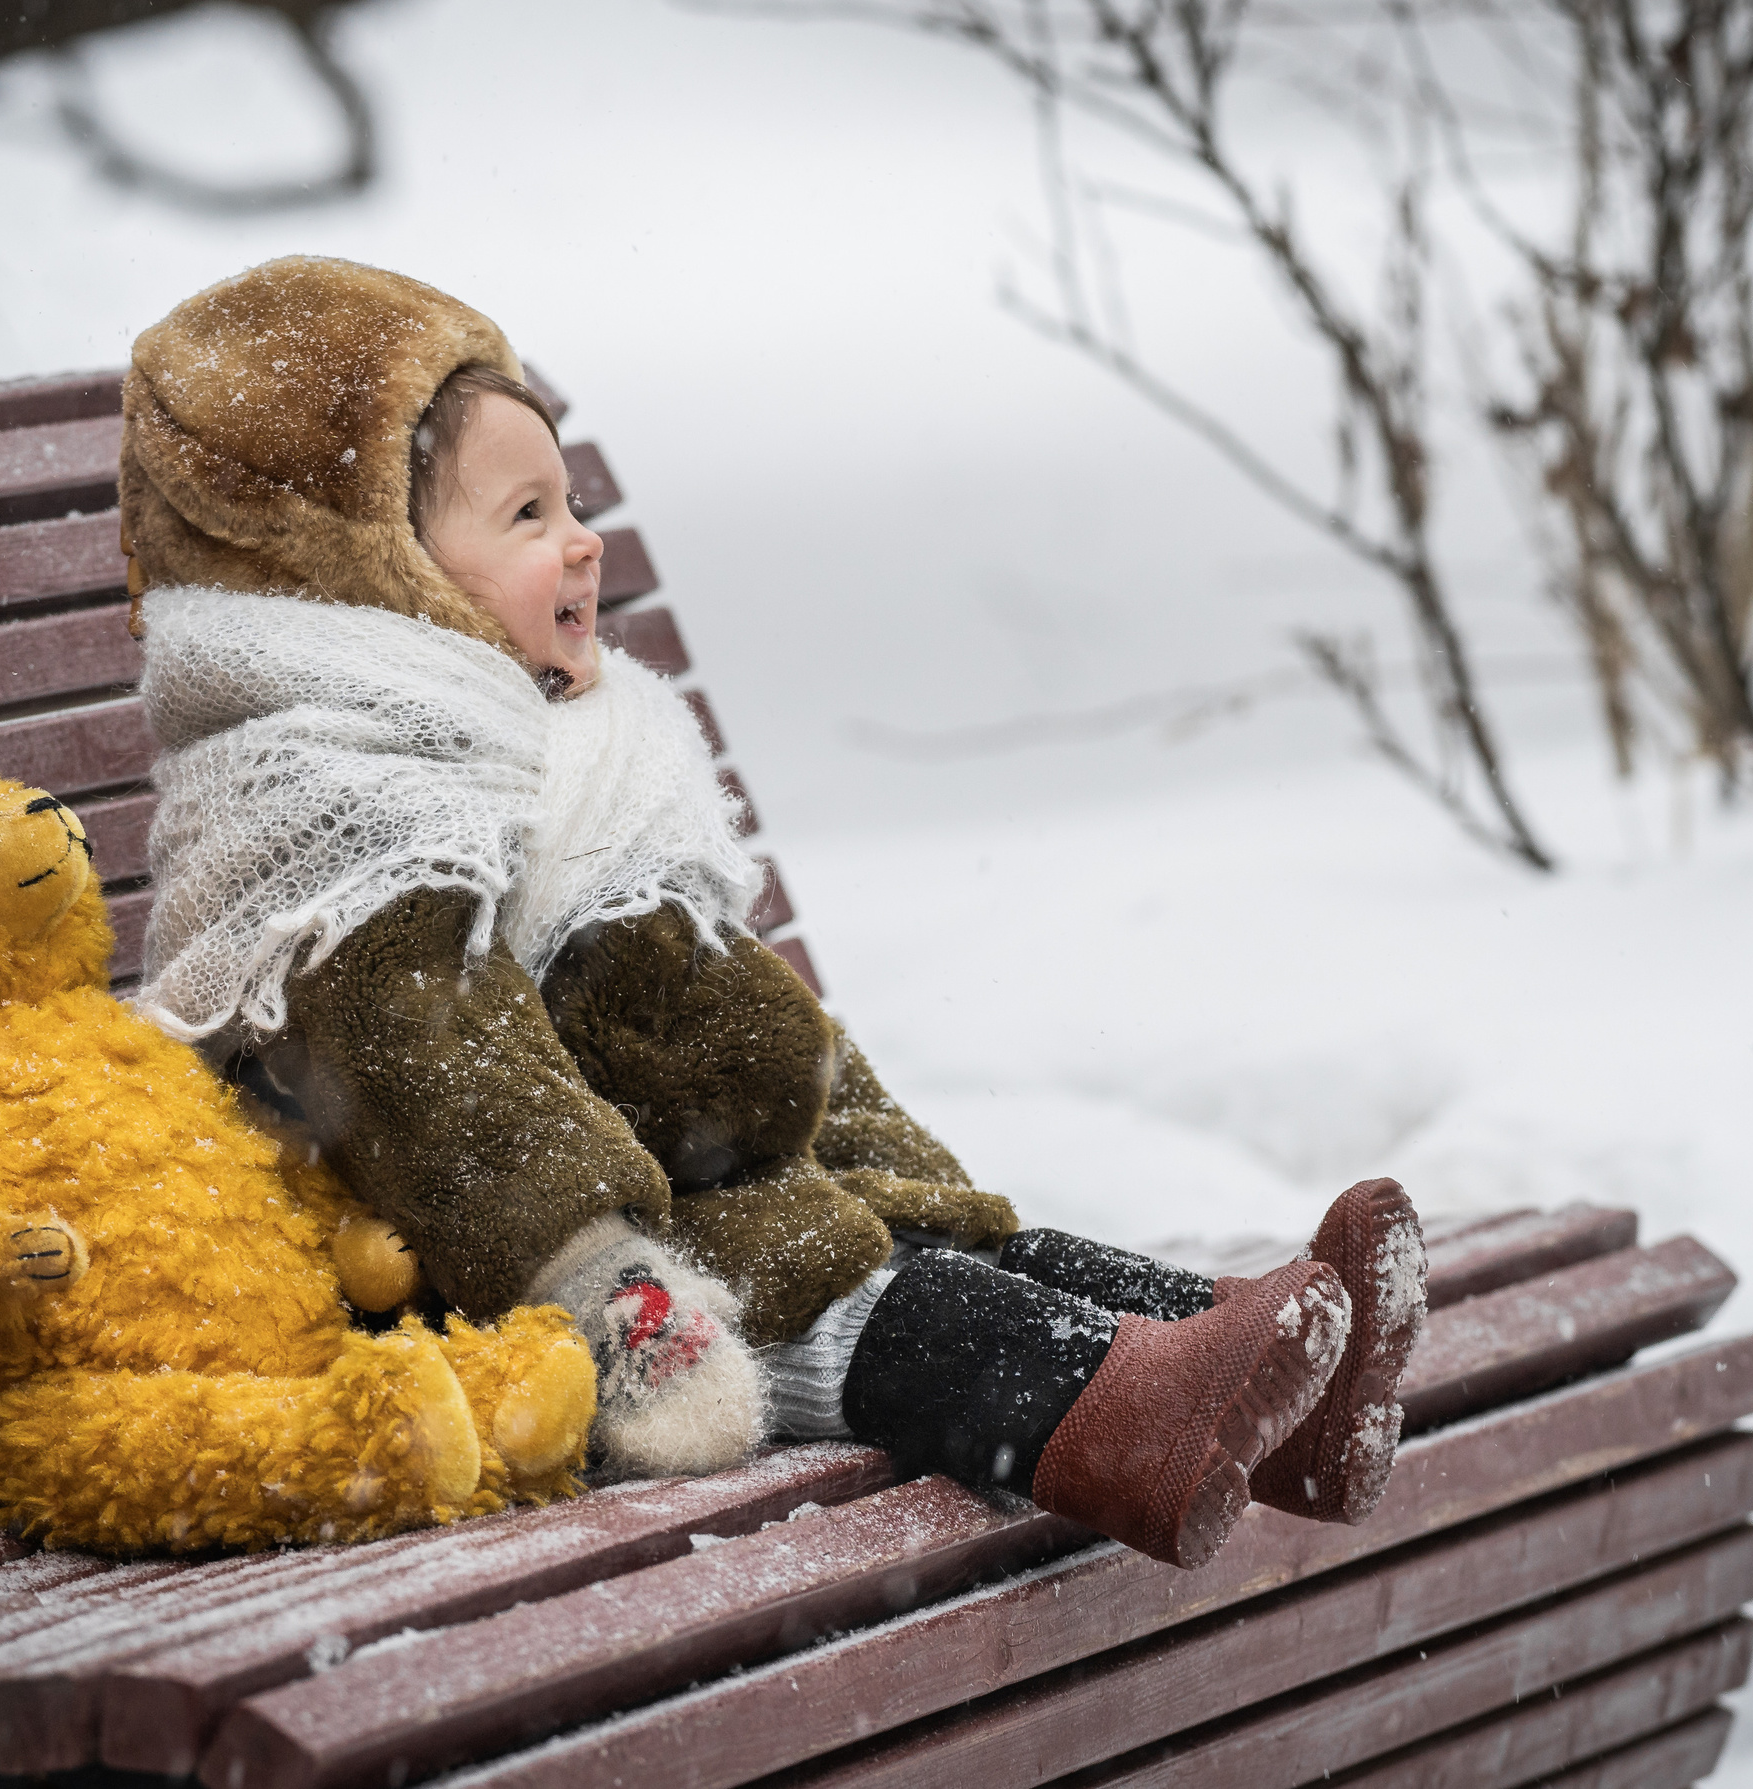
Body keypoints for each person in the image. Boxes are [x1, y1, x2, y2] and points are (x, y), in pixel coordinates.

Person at [122, 256, 1425, 1570]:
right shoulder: (336, 820)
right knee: (887, 1307)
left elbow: (740, 1015)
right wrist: (601, 1284)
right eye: (525, 515)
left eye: (569, 502)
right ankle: (1143, 1416)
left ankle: (1261, 1370)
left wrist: (918, 1188)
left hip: (694, 1214)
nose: (580, 540)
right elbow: (443, 1086)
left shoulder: (560, 760)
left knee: (935, 1252)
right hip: (538, 1298)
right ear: (371, 574)